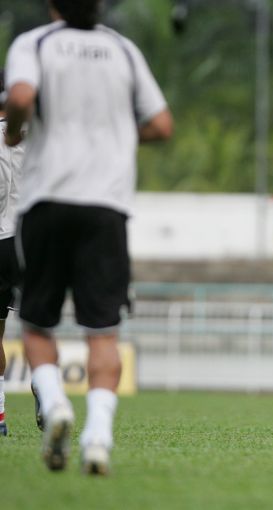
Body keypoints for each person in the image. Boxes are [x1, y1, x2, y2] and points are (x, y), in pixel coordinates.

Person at [4, 0, 173, 474]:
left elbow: (20, 97)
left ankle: (56, 403)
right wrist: (117, 135)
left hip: (47, 203)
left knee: (36, 325)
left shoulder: (33, 43)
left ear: (52, 4)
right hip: (106, 208)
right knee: (103, 332)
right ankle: (97, 436)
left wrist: (16, 131)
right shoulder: (123, 49)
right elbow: (161, 124)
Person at [0, 69, 26, 437]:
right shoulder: (38, 134)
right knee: (41, 326)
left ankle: (1, 415)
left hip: (0, 238)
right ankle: (45, 388)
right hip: (34, 239)